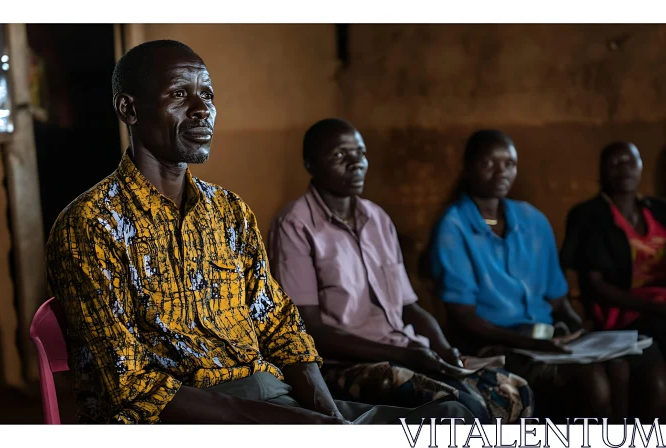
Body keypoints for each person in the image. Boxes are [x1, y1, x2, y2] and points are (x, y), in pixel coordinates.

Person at [45, 40, 472, 424]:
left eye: (207, 95)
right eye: (179, 94)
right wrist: (288, 424)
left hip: (272, 399)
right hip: (189, 418)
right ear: (129, 109)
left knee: (453, 419)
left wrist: (330, 418)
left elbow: (280, 326)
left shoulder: (229, 212)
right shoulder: (90, 225)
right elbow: (129, 385)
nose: (201, 109)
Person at [268, 118, 533, 423]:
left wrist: (445, 350)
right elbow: (308, 328)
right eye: (341, 156)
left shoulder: (377, 218)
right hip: (348, 364)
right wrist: (405, 356)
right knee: (458, 406)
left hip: (406, 350)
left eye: (361, 153)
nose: (356, 163)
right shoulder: (295, 224)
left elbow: (408, 306)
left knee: (516, 390)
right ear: (310, 164)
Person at [428, 129, 633, 421]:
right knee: (593, 384)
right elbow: (464, 316)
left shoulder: (532, 220)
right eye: (489, 163)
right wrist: (527, 343)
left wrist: (581, 334)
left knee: (620, 366)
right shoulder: (453, 227)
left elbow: (558, 297)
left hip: (543, 337)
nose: (501, 172)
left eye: (509, 164)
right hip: (492, 343)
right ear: (468, 167)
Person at [560, 141, 666, 419]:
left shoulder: (658, 210)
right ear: (601, 171)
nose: (624, 169)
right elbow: (595, 285)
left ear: (641, 166)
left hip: (660, 306)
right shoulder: (590, 216)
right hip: (622, 312)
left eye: (631, 161)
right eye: (615, 163)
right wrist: (654, 308)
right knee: (655, 381)